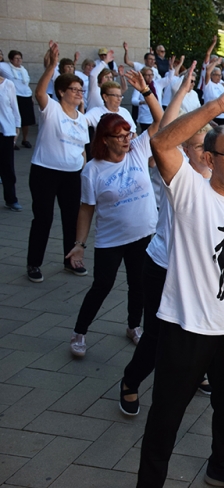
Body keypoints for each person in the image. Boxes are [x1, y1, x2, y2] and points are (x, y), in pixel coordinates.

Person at [137, 77, 224, 488]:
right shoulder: (189, 189)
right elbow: (161, 143)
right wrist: (218, 105)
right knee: (166, 416)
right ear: (209, 159)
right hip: (185, 325)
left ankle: (221, 468)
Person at [119, 66, 211, 416]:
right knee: (157, 337)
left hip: (197, 270)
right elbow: (164, 129)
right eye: (201, 146)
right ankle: (130, 380)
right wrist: (154, 95)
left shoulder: (214, 177)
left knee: (198, 329)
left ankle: (199, 372)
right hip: (162, 266)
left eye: (209, 147)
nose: (208, 153)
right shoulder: (176, 173)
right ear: (183, 150)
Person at [67, 70, 163, 357]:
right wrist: (79, 245)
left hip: (143, 235)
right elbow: (86, 209)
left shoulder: (137, 150)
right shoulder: (92, 170)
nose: (126, 140)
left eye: (128, 134)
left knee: (139, 285)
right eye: (119, 136)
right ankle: (79, 332)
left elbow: (160, 121)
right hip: (111, 241)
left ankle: (134, 326)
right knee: (102, 286)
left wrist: (146, 91)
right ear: (104, 139)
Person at [26, 41, 90, 283]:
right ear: (62, 92)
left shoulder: (82, 119)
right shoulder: (51, 108)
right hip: (45, 172)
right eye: (73, 89)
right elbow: (39, 93)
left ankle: (70, 260)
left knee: (72, 219)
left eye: (80, 90)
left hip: (71, 175)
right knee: (43, 218)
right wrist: (52, 66)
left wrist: (83, 171)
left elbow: (82, 150)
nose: (78, 93)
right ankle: (34, 263)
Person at [0, 50, 35, 149]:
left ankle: (25, 140)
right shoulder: (5, 66)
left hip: (26, 95)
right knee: (15, 117)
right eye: (16, 58)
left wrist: (31, 97)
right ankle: (13, 141)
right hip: (15, 96)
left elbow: (25, 84)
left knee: (26, 121)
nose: (19, 60)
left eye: (20, 58)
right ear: (11, 60)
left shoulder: (23, 70)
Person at [0, 74, 21, 211]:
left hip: (5, 131)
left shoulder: (8, 85)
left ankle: (11, 199)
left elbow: (14, 107)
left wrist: (17, 128)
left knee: (7, 167)